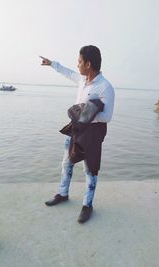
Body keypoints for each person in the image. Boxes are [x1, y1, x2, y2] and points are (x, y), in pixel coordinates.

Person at [40, 45, 115, 223]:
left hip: (92, 134)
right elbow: (68, 72)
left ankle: (87, 205)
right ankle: (63, 193)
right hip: (75, 129)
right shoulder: (82, 79)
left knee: (90, 170)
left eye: (80, 61)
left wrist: (87, 112)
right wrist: (52, 64)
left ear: (88, 64)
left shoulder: (105, 87)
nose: (78, 64)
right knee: (66, 162)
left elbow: (107, 117)